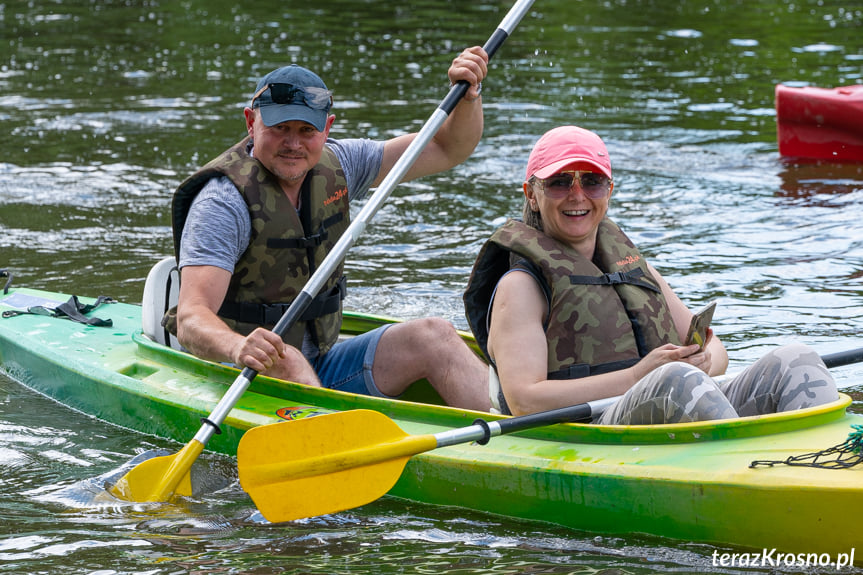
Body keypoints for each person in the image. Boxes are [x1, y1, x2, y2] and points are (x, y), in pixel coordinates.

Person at [165, 48, 491, 411]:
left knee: (435, 336)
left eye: (307, 130)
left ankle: (520, 443)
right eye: (279, 129)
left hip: (322, 362)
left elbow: (446, 147)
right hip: (241, 377)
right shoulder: (223, 203)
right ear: (250, 123)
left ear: (327, 128)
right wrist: (238, 346)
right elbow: (191, 316)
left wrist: (469, 96)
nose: (293, 143)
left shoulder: (344, 163)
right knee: (285, 359)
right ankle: (333, 444)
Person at [463, 125, 838, 423]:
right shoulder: (521, 287)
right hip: (586, 430)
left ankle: (827, 466)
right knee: (676, 380)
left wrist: (704, 361)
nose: (577, 195)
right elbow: (524, 400)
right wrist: (637, 378)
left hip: (672, 400)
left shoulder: (634, 268)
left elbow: (714, 346)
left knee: (797, 359)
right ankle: (748, 472)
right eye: (560, 182)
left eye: (591, 181)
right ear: (532, 193)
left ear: (609, 190)